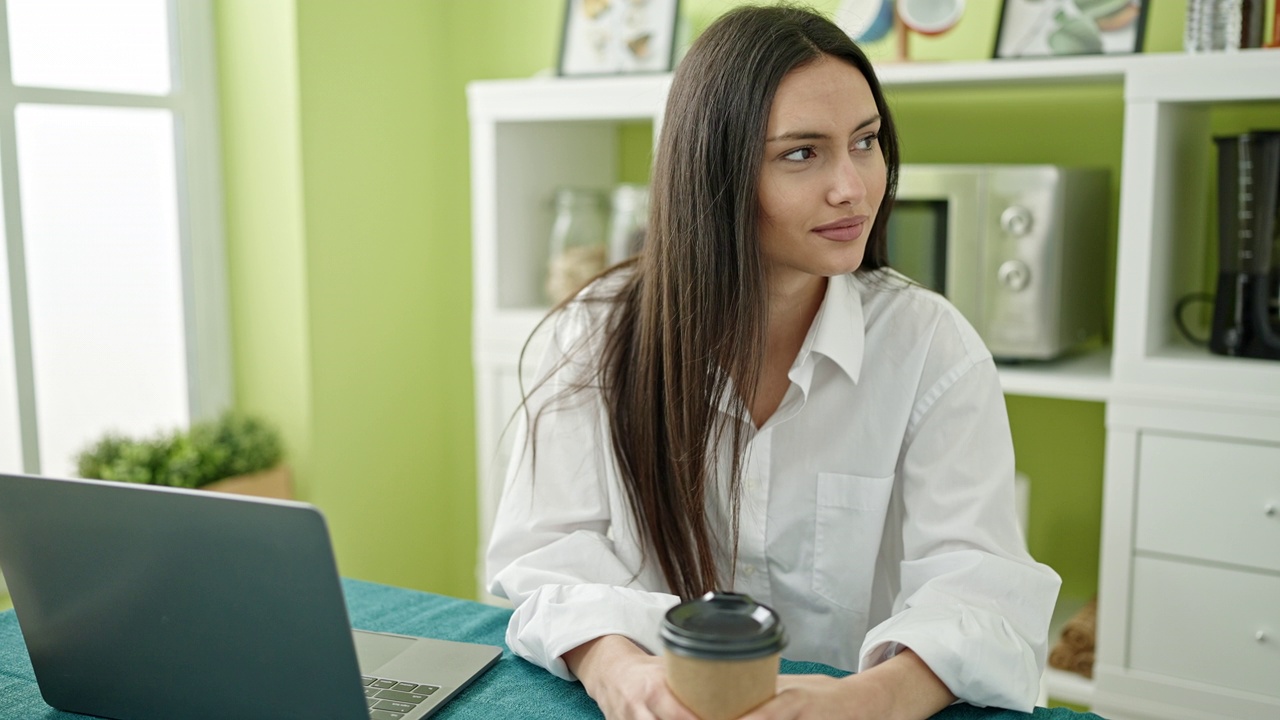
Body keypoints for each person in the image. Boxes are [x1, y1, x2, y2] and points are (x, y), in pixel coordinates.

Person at [485, 5, 1061, 720]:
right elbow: (546, 561)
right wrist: (622, 675)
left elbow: (982, 592)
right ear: (713, 174)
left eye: (865, 142)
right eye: (801, 153)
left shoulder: (930, 349)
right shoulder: (594, 337)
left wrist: (867, 701)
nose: (852, 187)